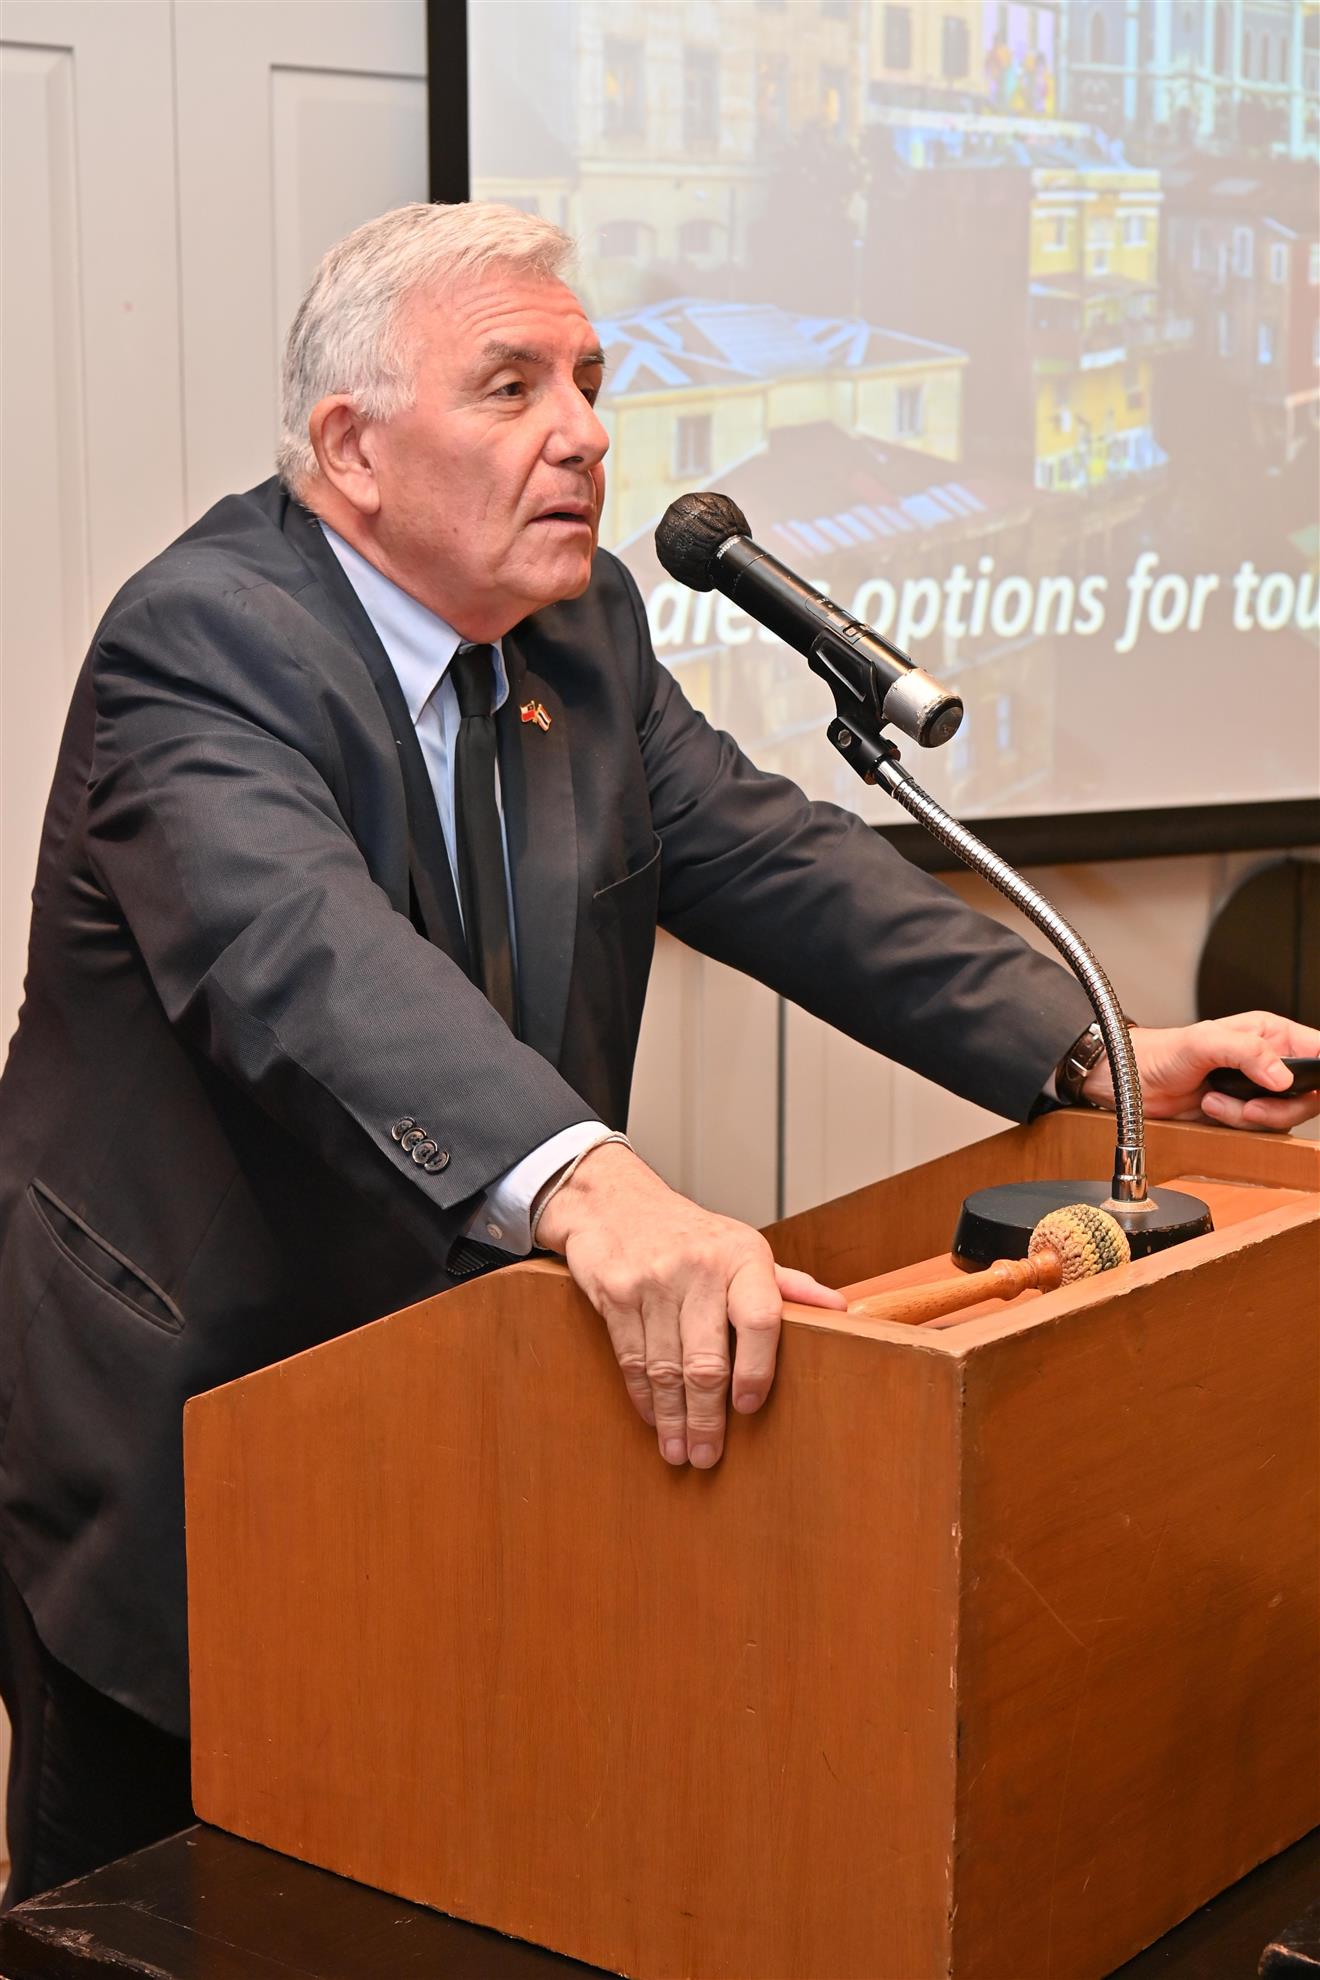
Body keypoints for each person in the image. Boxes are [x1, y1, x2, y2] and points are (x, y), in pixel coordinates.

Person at [0, 202, 1314, 1905]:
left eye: (592, 381)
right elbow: (304, 957)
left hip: (464, 1423)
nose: (585, 433)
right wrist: (598, 1191)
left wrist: (1101, 1053)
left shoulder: (585, 628)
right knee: (160, 1910)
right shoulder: (201, 640)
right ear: (352, 449)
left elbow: (770, 859)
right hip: (187, 1427)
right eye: (512, 387)